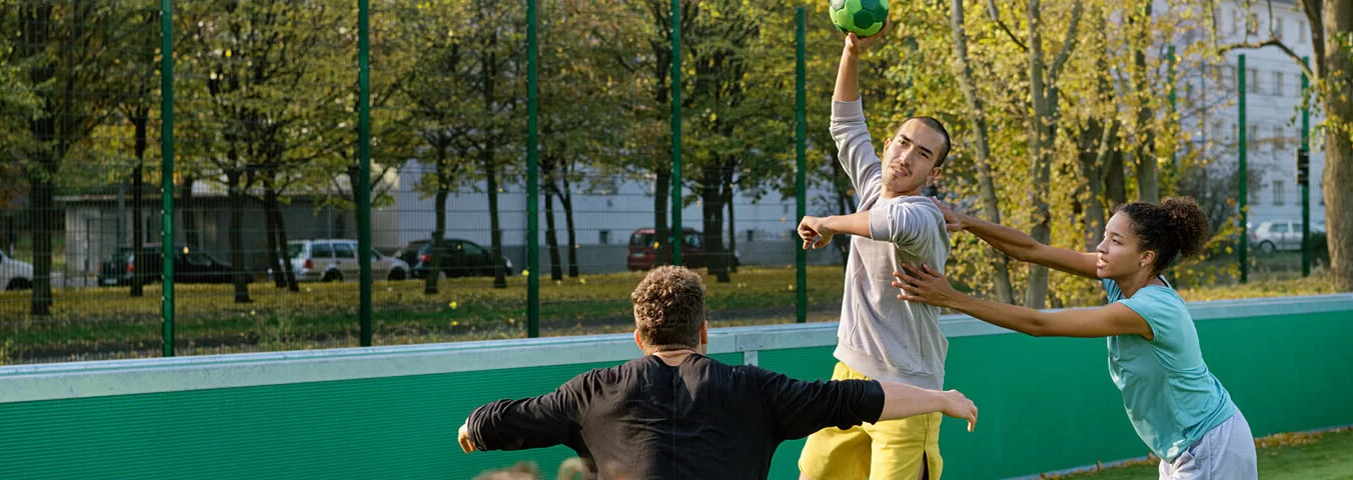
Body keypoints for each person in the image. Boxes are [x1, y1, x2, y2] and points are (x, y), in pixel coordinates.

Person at [456, 266, 978, 480]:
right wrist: (941, 398)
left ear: (639, 336)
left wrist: (474, 428)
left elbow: (507, 419)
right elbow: (858, 398)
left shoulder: (592, 392)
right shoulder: (757, 391)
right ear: (704, 331)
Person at [891, 198, 1258, 479]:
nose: (1101, 247)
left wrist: (951, 298)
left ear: (1146, 257)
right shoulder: (1120, 279)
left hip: (1208, 444)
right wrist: (966, 222)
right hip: (1184, 446)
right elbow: (1032, 251)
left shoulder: (1151, 307)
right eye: (1105, 236)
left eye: (1115, 241)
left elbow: (1040, 324)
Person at [794, 26, 956, 480]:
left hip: (910, 387)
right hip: (849, 375)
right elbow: (845, 123)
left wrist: (828, 223)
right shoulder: (872, 186)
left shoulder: (923, 215)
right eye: (903, 143)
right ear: (888, 146)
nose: (907, 157)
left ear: (933, 172)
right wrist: (850, 51)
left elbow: (889, 224)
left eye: (922, 154)